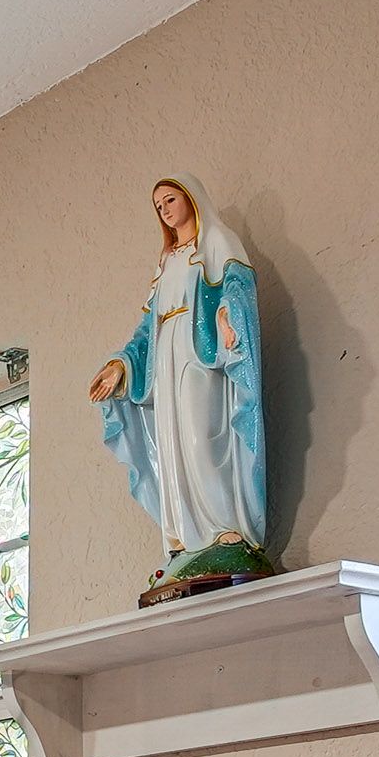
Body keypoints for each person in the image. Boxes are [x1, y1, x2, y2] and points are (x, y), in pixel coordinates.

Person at [90, 177, 270, 597]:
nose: (165, 210)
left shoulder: (218, 242)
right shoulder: (167, 260)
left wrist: (227, 316)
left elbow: (236, 289)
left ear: (191, 198)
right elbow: (146, 328)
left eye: (170, 200)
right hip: (166, 359)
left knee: (202, 437)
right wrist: (121, 364)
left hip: (199, 352)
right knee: (173, 448)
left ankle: (227, 529)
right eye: (158, 206)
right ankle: (187, 540)